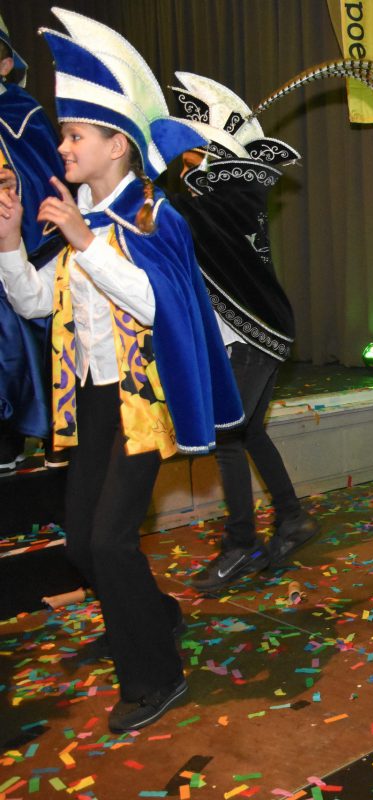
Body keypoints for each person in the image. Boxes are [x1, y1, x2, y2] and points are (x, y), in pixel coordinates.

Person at [0, 9, 242, 733]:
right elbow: (40, 304)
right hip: (96, 400)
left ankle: (156, 678)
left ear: (116, 144)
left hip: (146, 401)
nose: (62, 146)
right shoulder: (76, 213)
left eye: (75, 135)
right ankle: (151, 613)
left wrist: (85, 241)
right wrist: (10, 241)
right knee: (82, 542)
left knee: (109, 540)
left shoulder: (153, 215)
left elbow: (156, 303)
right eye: (65, 134)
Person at [166, 73, 320, 593]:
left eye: (190, 149)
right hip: (259, 333)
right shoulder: (223, 194)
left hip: (252, 337)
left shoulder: (227, 195)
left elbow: (179, 219)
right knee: (250, 431)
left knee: (226, 437)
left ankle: (241, 545)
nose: (181, 162)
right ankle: (292, 517)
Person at [0, 12, 64, 472]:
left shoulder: (24, 115)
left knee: (21, 348)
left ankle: (25, 436)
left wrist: (13, 187)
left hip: (21, 251)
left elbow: (46, 177)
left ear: (6, 65)